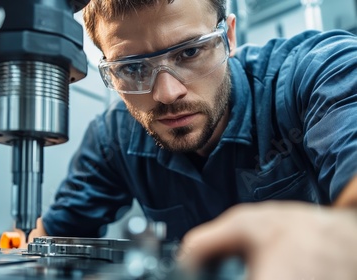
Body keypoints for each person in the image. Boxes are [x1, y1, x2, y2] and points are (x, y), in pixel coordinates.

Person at [28, 0, 357, 278]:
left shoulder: (317, 71)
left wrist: (340, 235)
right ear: (111, 72)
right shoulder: (112, 137)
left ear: (228, 37)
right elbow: (50, 241)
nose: (167, 93)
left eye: (189, 53)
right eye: (132, 68)